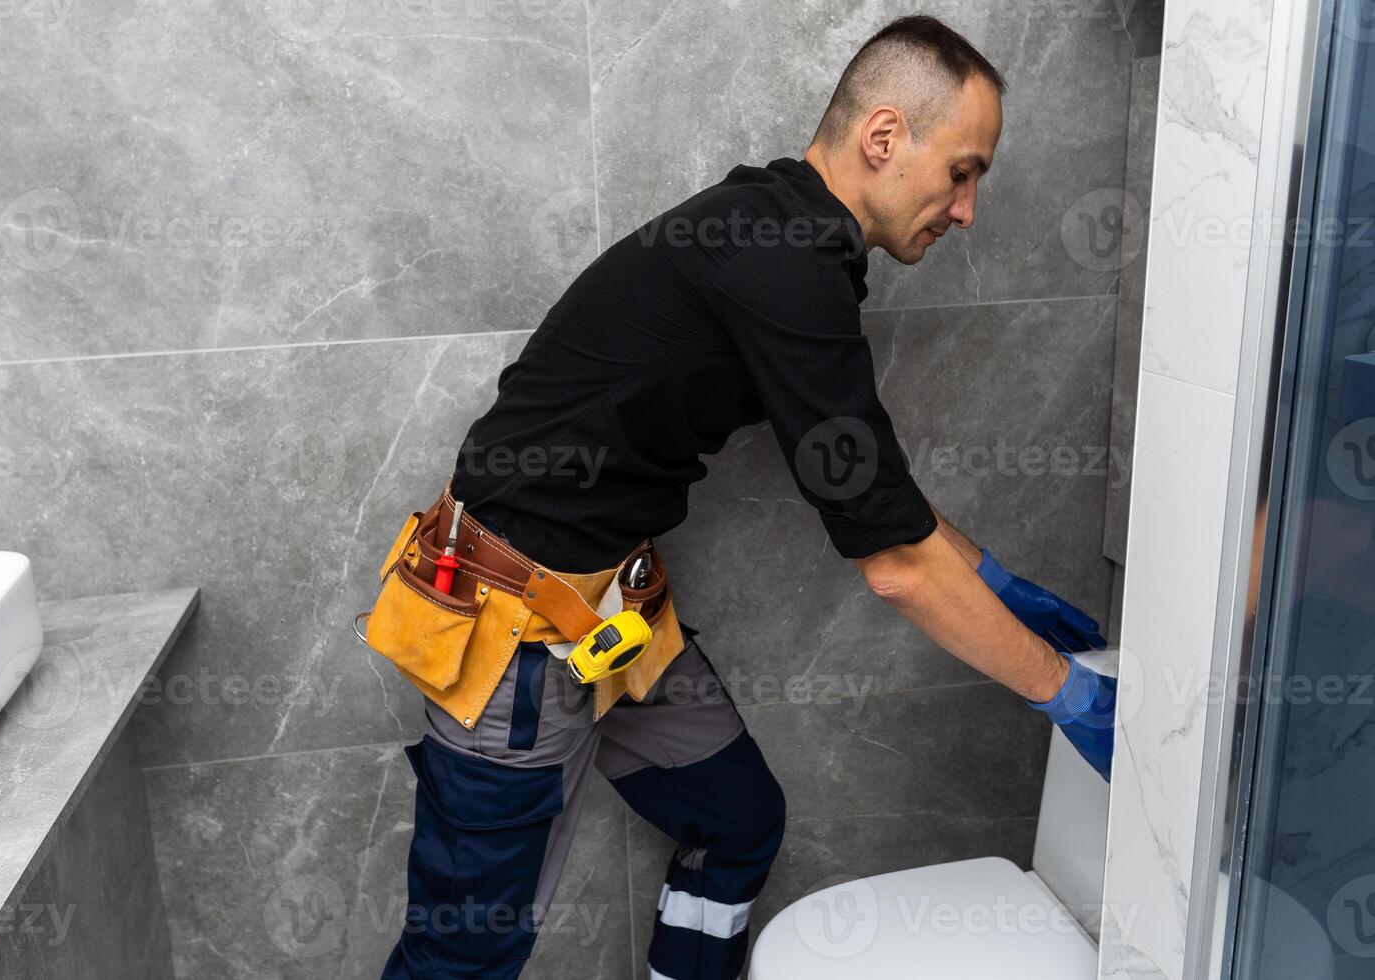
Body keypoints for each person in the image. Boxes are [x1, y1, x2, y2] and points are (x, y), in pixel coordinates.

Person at [378, 14, 1117, 980]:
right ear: (885, 138)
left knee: (737, 825)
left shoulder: (782, 236)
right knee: (462, 953)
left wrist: (1000, 583)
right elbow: (892, 563)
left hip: (611, 618)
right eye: (964, 171)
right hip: (514, 641)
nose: (968, 208)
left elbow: (879, 499)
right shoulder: (781, 263)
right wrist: (1066, 696)